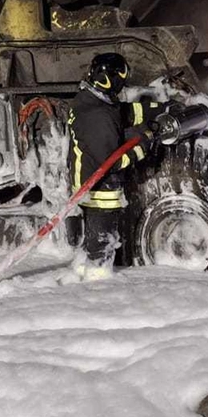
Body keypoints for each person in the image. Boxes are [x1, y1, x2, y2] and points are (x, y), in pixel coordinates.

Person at [67, 53, 158, 281]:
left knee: (98, 242)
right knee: (101, 246)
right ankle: (98, 288)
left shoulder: (93, 100)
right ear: (112, 79)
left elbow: (124, 114)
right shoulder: (98, 117)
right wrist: (143, 145)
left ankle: (87, 270)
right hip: (99, 191)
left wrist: (159, 109)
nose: (122, 86)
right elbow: (113, 161)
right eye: (121, 80)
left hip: (93, 184)